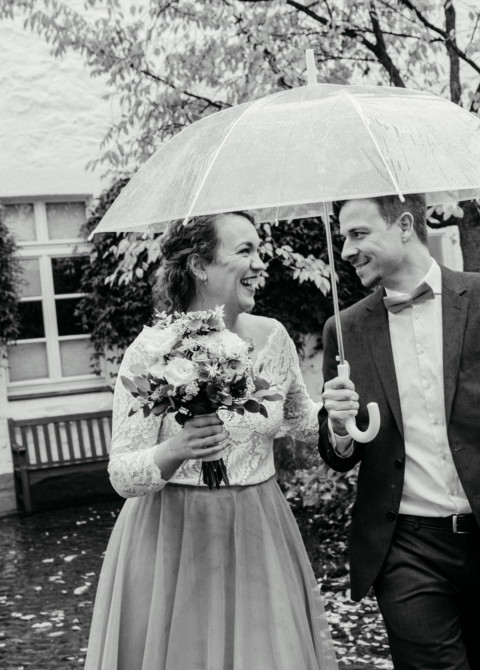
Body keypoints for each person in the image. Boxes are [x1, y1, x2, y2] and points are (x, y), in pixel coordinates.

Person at [319, 194, 480, 670]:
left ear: (403, 226)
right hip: (405, 546)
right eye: (343, 238)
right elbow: (341, 453)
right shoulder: (345, 330)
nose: (347, 250)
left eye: (358, 234)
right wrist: (339, 426)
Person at [85, 212, 338, 670]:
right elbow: (121, 474)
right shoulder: (151, 351)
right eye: (245, 251)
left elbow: (302, 421)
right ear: (201, 264)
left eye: (258, 250)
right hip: (172, 541)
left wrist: (336, 413)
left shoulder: (272, 337)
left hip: (259, 528)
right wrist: (174, 450)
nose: (261, 263)